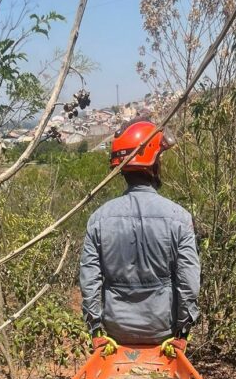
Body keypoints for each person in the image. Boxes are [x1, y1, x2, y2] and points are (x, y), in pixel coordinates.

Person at [79, 118, 200, 353]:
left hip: (115, 330)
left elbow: (90, 280)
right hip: (162, 330)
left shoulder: (99, 219)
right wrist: (183, 331)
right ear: (153, 163)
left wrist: (95, 329)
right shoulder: (179, 218)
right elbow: (189, 282)